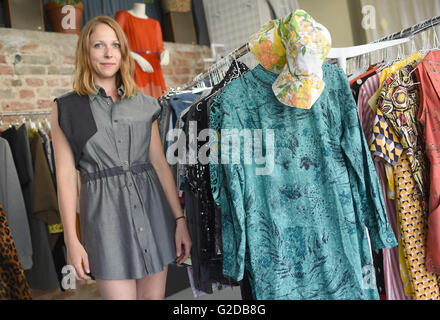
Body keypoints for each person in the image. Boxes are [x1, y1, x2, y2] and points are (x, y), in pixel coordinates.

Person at [50, 15, 192, 300]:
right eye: (98, 45)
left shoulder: (145, 105)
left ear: (124, 52)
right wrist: (71, 239)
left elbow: (159, 164)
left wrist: (180, 220)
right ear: (85, 52)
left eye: (115, 45)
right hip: (106, 225)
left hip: (154, 216)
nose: (108, 53)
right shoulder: (66, 109)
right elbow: (65, 178)